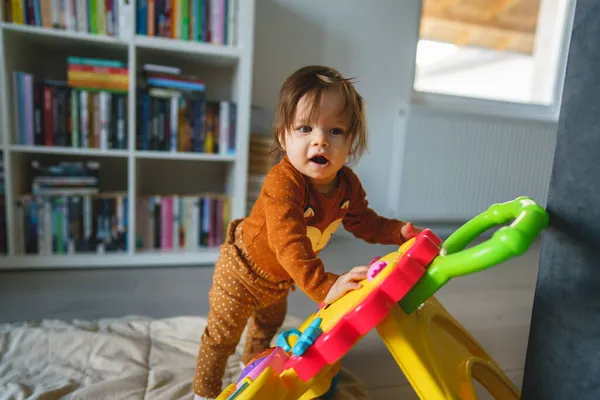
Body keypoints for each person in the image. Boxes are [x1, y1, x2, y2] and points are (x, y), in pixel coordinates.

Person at [193, 65, 422, 399]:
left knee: (266, 329)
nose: (320, 140)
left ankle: (250, 377)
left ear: (351, 141)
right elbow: (288, 243)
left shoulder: (347, 185)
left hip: (280, 281)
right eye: (305, 128)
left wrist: (398, 232)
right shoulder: (282, 182)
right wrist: (325, 285)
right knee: (221, 336)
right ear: (284, 136)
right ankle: (203, 392)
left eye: (336, 131)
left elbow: (364, 221)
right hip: (240, 270)